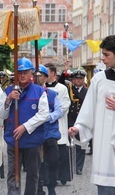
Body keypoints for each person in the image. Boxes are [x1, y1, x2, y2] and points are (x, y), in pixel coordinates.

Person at [68, 35, 115, 195]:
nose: (102, 58)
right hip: (105, 147)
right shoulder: (99, 80)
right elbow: (89, 109)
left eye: (106, 54)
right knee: (105, 188)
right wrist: (78, 127)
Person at [0, 57, 49, 195]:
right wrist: (8, 100)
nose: (22, 75)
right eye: (19, 72)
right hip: (13, 139)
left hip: (33, 140)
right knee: (13, 174)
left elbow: (44, 114)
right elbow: (1, 114)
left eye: (25, 72)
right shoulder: (8, 90)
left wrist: (25, 126)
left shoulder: (39, 91)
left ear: (31, 73)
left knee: (33, 174)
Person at [36, 65, 62, 195]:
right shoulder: (30, 94)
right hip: (35, 132)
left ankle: (52, 186)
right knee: (36, 163)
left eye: (40, 75)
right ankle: (39, 187)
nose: (37, 78)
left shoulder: (52, 94)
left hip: (50, 132)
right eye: (35, 75)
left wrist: (48, 117)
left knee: (53, 160)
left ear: (46, 78)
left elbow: (59, 110)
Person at [45, 63, 71, 185]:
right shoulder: (40, 87)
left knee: (61, 152)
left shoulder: (62, 88)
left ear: (53, 74)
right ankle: (47, 178)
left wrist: (54, 113)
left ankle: (62, 176)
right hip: (44, 124)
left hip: (59, 123)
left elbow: (65, 105)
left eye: (47, 72)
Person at [67, 69, 88, 175]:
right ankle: (70, 165)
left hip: (82, 120)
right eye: (76, 78)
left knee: (81, 144)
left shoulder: (87, 91)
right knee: (69, 144)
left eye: (80, 78)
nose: (78, 80)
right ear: (73, 80)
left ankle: (79, 167)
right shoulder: (69, 90)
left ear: (83, 79)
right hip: (70, 119)